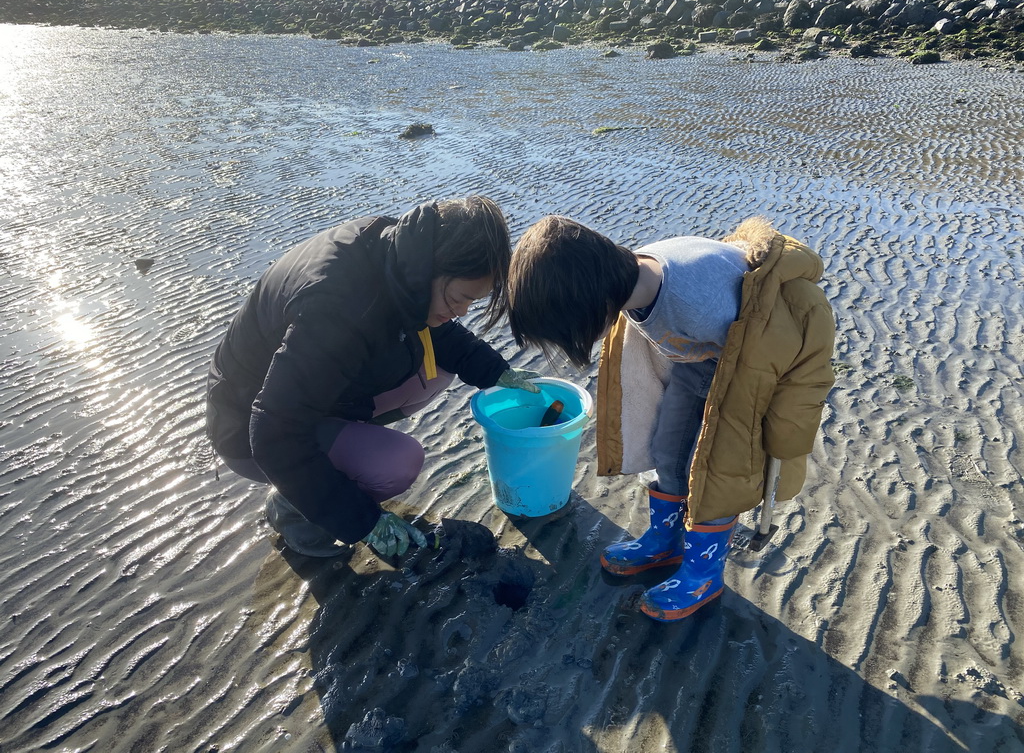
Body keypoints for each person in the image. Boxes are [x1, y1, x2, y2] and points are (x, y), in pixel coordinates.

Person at [505, 215, 835, 621]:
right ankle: (665, 540)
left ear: (591, 304)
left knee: (716, 469)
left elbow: (776, 361)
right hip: (705, 358)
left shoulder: (695, 304)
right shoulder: (629, 281)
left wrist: (770, 430)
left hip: (750, 367)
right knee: (667, 447)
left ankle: (702, 573)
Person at [205, 197, 539, 558]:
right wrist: (361, 520)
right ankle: (295, 510)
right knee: (396, 464)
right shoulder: (337, 309)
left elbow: (437, 332)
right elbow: (271, 431)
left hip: (303, 392)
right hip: (246, 426)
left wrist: (497, 371)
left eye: (472, 302)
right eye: (460, 298)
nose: (462, 312)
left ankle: (330, 458)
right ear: (432, 269)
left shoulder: (403, 250)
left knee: (438, 369)